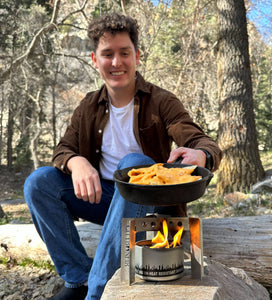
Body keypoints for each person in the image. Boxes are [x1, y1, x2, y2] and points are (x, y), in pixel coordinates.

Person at [24, 13, 222, 300]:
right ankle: (77, 278)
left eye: (124, 53)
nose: (116, 62)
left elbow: (201, 141)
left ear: (137, 56)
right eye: (107, 54)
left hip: (151, 208)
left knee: (133, 164)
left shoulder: (161, 101)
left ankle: (98, 291)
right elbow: (62, 149)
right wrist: (75, 162)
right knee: (39, 182)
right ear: (94, 59)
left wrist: (201, 154)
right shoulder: (88, 106)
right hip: (105, 201)